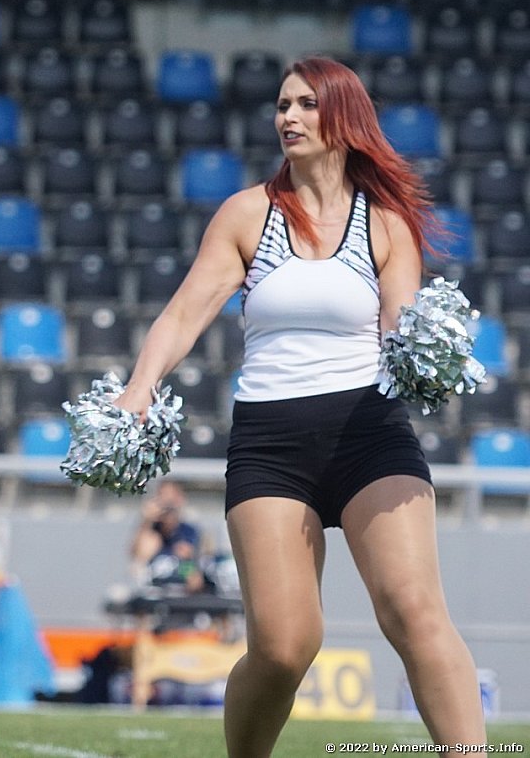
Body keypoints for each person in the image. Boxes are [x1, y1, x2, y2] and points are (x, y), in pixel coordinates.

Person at [111, 56, 485, 756]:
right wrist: (140, 386)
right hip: (271, 444)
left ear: (343, 117)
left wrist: (430, 354)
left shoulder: (386, 221)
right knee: (285, 647)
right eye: (283, 104)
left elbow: (400, 327)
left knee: (415, 612)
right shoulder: (247, 214)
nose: (289, 116)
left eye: (307, 104)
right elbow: (183, 314)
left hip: (370, 433)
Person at [129, 479, 205, 595]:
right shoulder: (152, 532)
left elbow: (194, 581)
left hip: (179, 593)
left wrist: (186, 561)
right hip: (152, 592)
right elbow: (138, 557)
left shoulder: (188, 532)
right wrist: (147, 521)